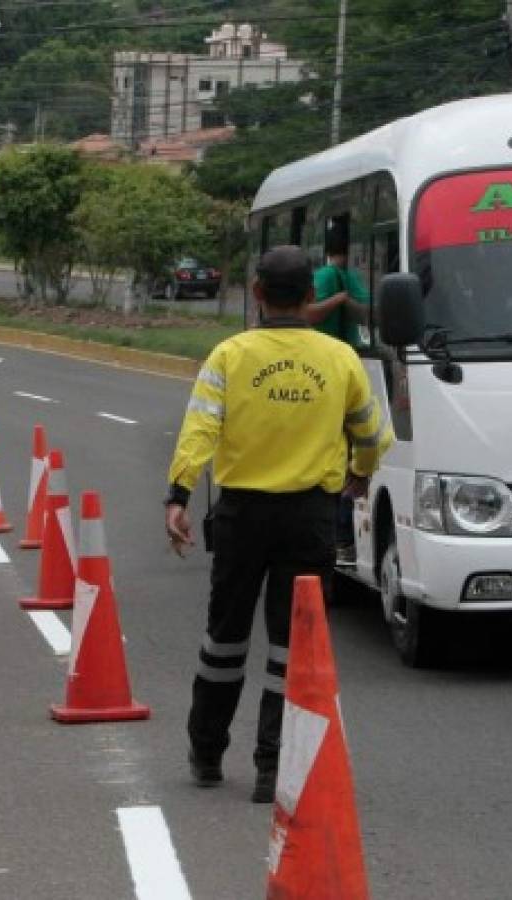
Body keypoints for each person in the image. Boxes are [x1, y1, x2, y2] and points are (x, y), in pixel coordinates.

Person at [165, 245, 392, 804]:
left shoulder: (229, 355)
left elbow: (200, 430)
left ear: (258, 293)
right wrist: (360, 476)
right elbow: (371, 431)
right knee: (291, 650)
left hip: (242, 516)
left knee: (224, 640)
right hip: (310, 517)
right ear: (312, 295)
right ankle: (272, 768)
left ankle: (207, 753)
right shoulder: (339, 359)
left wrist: (178, 495)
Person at [306, 224, 372, 565]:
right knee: (344, 461)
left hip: (348, 367)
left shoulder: (348, 276)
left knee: (344, 458)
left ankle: (342, 537)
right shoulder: (331, 276)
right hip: (331, 370)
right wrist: (341, 300)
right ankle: (341, 537)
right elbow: (309, 313)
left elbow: (368, 310)